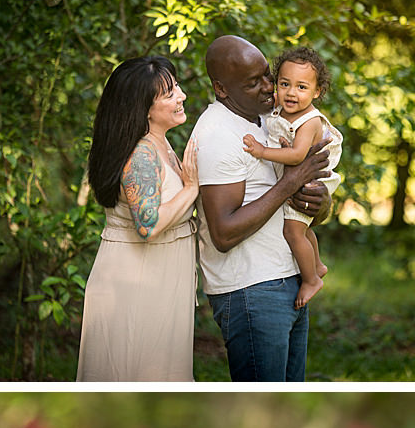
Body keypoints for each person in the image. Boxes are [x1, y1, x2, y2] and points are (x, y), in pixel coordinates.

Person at [189, 36, 333, 382]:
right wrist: (292, 182)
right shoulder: (217, 135)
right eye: (255, 82)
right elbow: (223, 233)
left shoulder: (271, 119)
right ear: (222, 89)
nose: (270, 88)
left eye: (268, 76)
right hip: (250, 292)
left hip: (289, 279)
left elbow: (306, 199)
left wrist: (321, 201)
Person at [76, 59, 202, 384]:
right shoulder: (141, 155)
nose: (182, 96)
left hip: (158, 278)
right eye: (170, 92)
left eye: (176, 87)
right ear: (144, 108)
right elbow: (149, 225)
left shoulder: (160, 144)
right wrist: (191, 188)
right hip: (136, 283)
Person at [243, 48, 342, 310]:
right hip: (297, 177)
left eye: (301, 87)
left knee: (292, 230)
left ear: (317, 92)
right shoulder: (284, 108)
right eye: (284, 84)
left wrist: (262, 151)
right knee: (304, 228)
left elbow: (298, 156)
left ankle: (310, 279)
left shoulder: (309, 121)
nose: (291, 93)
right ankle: (318, 265)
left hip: (310, 180)